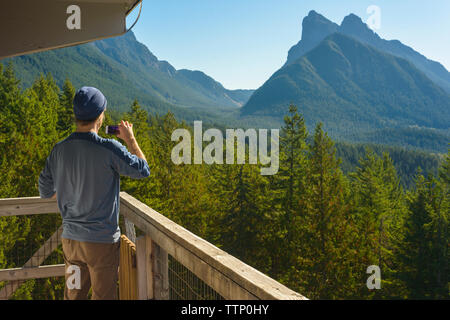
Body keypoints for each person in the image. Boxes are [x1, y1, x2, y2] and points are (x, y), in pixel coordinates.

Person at [38, 86, 150, 300]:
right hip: (101, 244)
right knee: (103, 296)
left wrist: (70, 191)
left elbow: (45, 191)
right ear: (101, 116)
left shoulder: (59, 150)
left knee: (73, 295)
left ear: (76, 115)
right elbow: (143, 170)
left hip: (72, 242)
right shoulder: (109, 149)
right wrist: (130, 140)